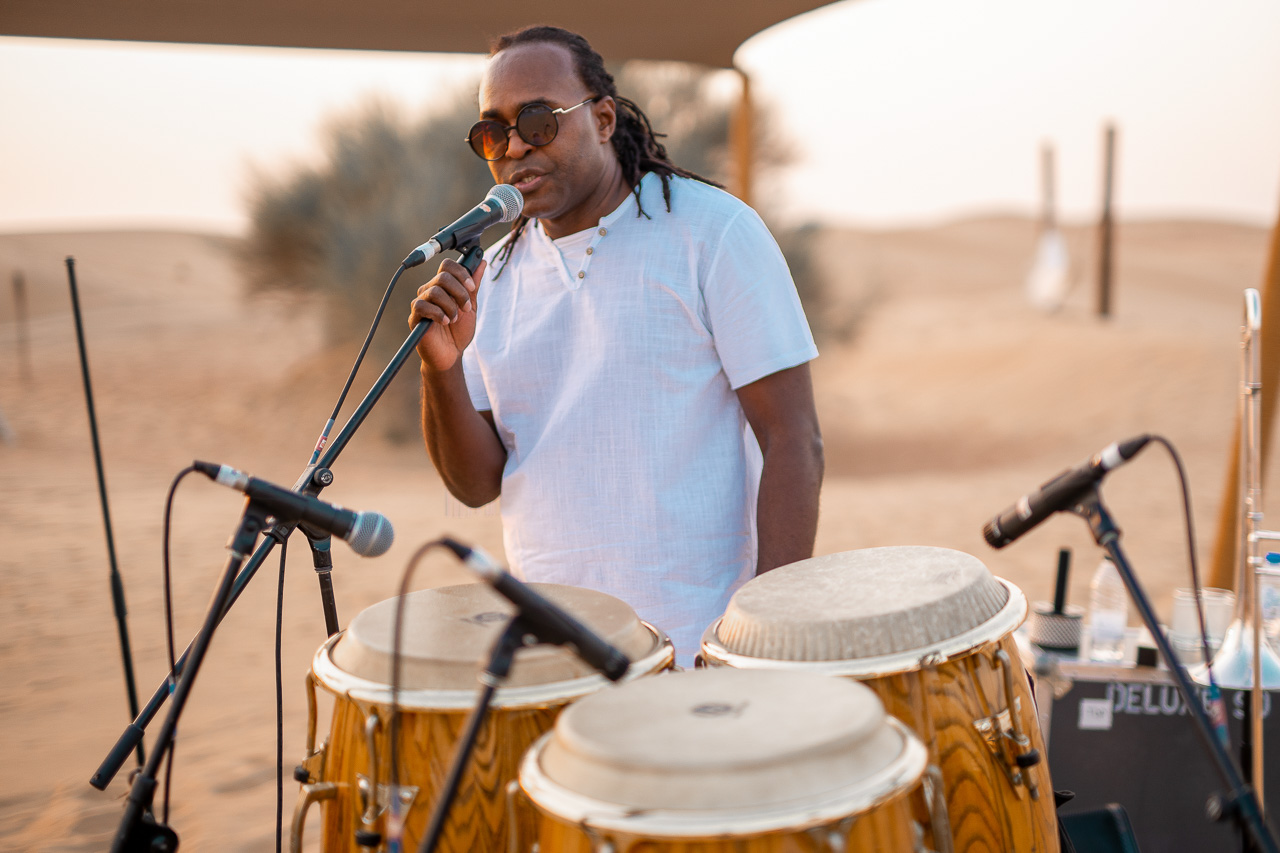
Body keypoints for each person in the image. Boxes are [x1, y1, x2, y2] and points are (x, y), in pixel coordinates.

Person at [408, 25, 823, 664]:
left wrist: (764, 635)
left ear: (603, 120)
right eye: (492, 132)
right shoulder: (493, 277)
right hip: (554, 659)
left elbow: (793, 438)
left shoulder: (712, 232)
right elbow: (475, 485)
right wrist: (441, 370)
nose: (514, 146)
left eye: (538, 120)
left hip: (701, 649)